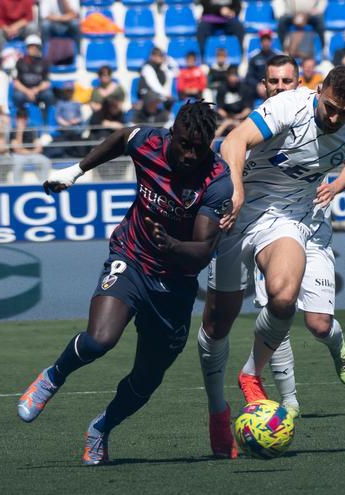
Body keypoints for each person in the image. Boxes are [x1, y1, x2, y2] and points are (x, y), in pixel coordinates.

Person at [16, 102, 233, 466]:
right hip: (131, 258)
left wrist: (175, 246)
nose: (190, 154)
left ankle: (101, 428)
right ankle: (53, 376)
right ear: (172, 134)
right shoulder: (149, 141)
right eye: (184, 144)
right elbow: (121, 137)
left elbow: (203, 251)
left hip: (175, 285)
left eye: (199, 148)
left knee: (147, 379)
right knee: (100, 339)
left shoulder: (216, 180)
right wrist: (76, 170)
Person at [198, 66, 345, 458]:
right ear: (319, 90)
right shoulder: (289, 106)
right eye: (330, 107)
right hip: (234, 213)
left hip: (284, 219)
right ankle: (218, 409)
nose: (335, 119)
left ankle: (251, 373)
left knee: (283, 299)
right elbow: (234, 142)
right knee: (217, 325)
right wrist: (235, 190)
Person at [242, 55, 345, 417]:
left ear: (301, 85)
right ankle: (290, 402)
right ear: (264, 86)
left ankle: (336, 342)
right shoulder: (263, 121)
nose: (279, 88)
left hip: (312, 228)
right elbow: (232, 150)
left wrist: (338, 186)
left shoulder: (332, 119)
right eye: (273, 82)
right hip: (269, 226)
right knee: (276, 309)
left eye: (286, 82)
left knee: (318, 323)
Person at [13, 35, 56, 116]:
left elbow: (47, 82)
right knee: (17, 96)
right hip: (24, 92)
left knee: (48, 95)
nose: (32, 49)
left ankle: (46, 119)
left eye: (35, 46)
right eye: (30, 46)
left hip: (39, 92)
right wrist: (27, 92)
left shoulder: (45, 63)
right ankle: (20, 119)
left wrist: (35, 90)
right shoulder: (19, 62)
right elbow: (16, 82)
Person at [10, 108, 52, 183]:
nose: (23, 120)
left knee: (45, 161)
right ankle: (17, 185)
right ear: (16, 119)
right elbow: (17, 149)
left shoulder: (31, 130)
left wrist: (31, 153)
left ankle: (43, 184)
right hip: (19, 156)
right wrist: (20, 131)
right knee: (17, 164)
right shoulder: (12, 131)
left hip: (32, 154)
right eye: (20, 118)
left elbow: (39, 148)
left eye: (24, 118)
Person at [215, 67, 252, 136]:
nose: (233, 78)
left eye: (234, 75)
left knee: (239, 126)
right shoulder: (221, 88)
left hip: (240, 118)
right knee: (221, 128)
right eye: (231, 76)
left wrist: (238, 117)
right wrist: (228, 118)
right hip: (226, 118)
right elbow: (219, 109)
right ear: (227, 76)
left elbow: (248, 109)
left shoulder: (245, 88)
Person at [246, 30, 281, 99]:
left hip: (275, 88)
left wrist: (271, 86)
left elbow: (282, 74)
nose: (266, 43)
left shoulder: (278, 57)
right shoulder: (254, 57)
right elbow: (249, 76)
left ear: (271, 41)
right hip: (258, 90)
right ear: (260, 42)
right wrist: (257, 85)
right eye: (264, 40)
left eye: (268, 40)